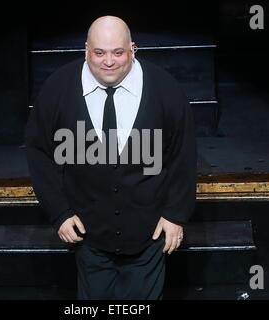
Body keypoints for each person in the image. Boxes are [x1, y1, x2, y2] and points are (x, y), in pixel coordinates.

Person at [25, 16, 197, 299]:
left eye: (118, 52)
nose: (109, 61)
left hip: (150, 234)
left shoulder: (165, 88)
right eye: (99, 52)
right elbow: (39, 152)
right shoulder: (57, 88)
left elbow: (183, 154)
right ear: (85, 50)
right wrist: (60, 212)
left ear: (133, 50)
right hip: (89, 236)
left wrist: (175, 214)